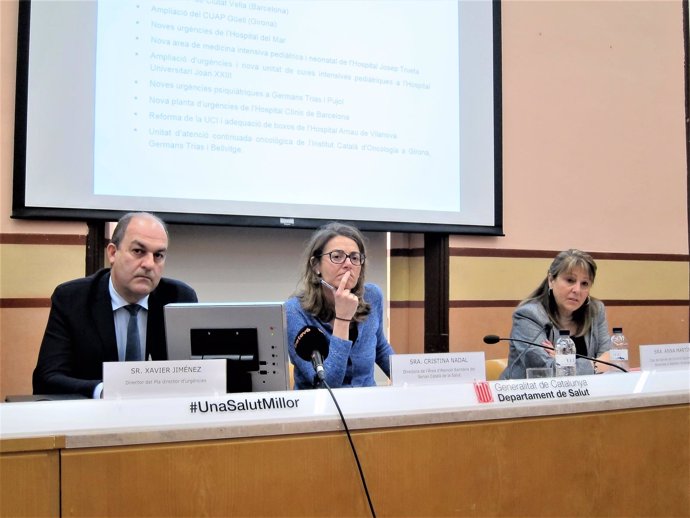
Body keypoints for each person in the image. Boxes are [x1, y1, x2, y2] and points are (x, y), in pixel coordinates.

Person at [33, 212, 198, 398]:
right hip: (93, 418)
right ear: (112, 253)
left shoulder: (179, 298)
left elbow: (198, 374)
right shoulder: (72, 299)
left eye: (158, 255)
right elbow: (47, 378)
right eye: (138, 251)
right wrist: (104, 391)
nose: (149, 264)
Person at [286, 222, 395, 389]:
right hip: (322, 409)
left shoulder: (372, 296)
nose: (348, 264)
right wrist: (342, 319)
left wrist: (412, 382)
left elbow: (380, 348)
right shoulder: (294, 311)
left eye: (354, 257)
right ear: (316, 265)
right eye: (337, 256)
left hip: (368, 404)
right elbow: (327, 384)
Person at [500, 249, 614, 379]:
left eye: (584, 283)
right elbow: (547, 371)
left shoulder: (595, 311)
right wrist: (595, 365)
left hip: (583, 394)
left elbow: (611, 361)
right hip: (530, 395)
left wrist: (563, 361)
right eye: (570, 280)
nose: (577, 290)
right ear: (551, 280)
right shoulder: (529, 315)